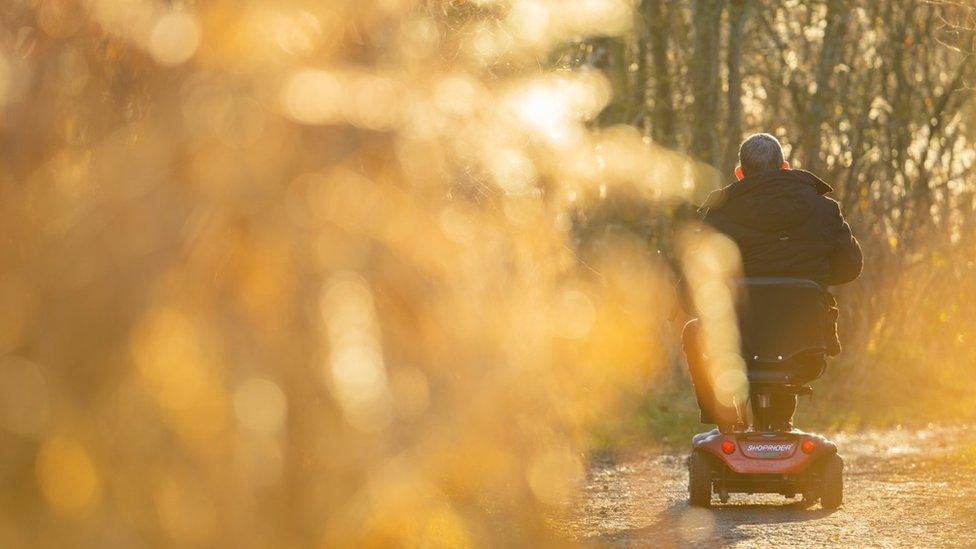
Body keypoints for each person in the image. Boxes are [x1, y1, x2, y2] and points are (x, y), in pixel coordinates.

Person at [682, 133, 862, 431]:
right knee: (788, 346)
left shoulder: (718, 215)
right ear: (785, 167)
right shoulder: (823, 209)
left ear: (740, 174)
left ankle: (726, 420)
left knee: (693, 330)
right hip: (805, 345)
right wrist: (812, 275)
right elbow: (851, 267)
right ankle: (780, 425)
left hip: (734, 346)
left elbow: (692, 285)